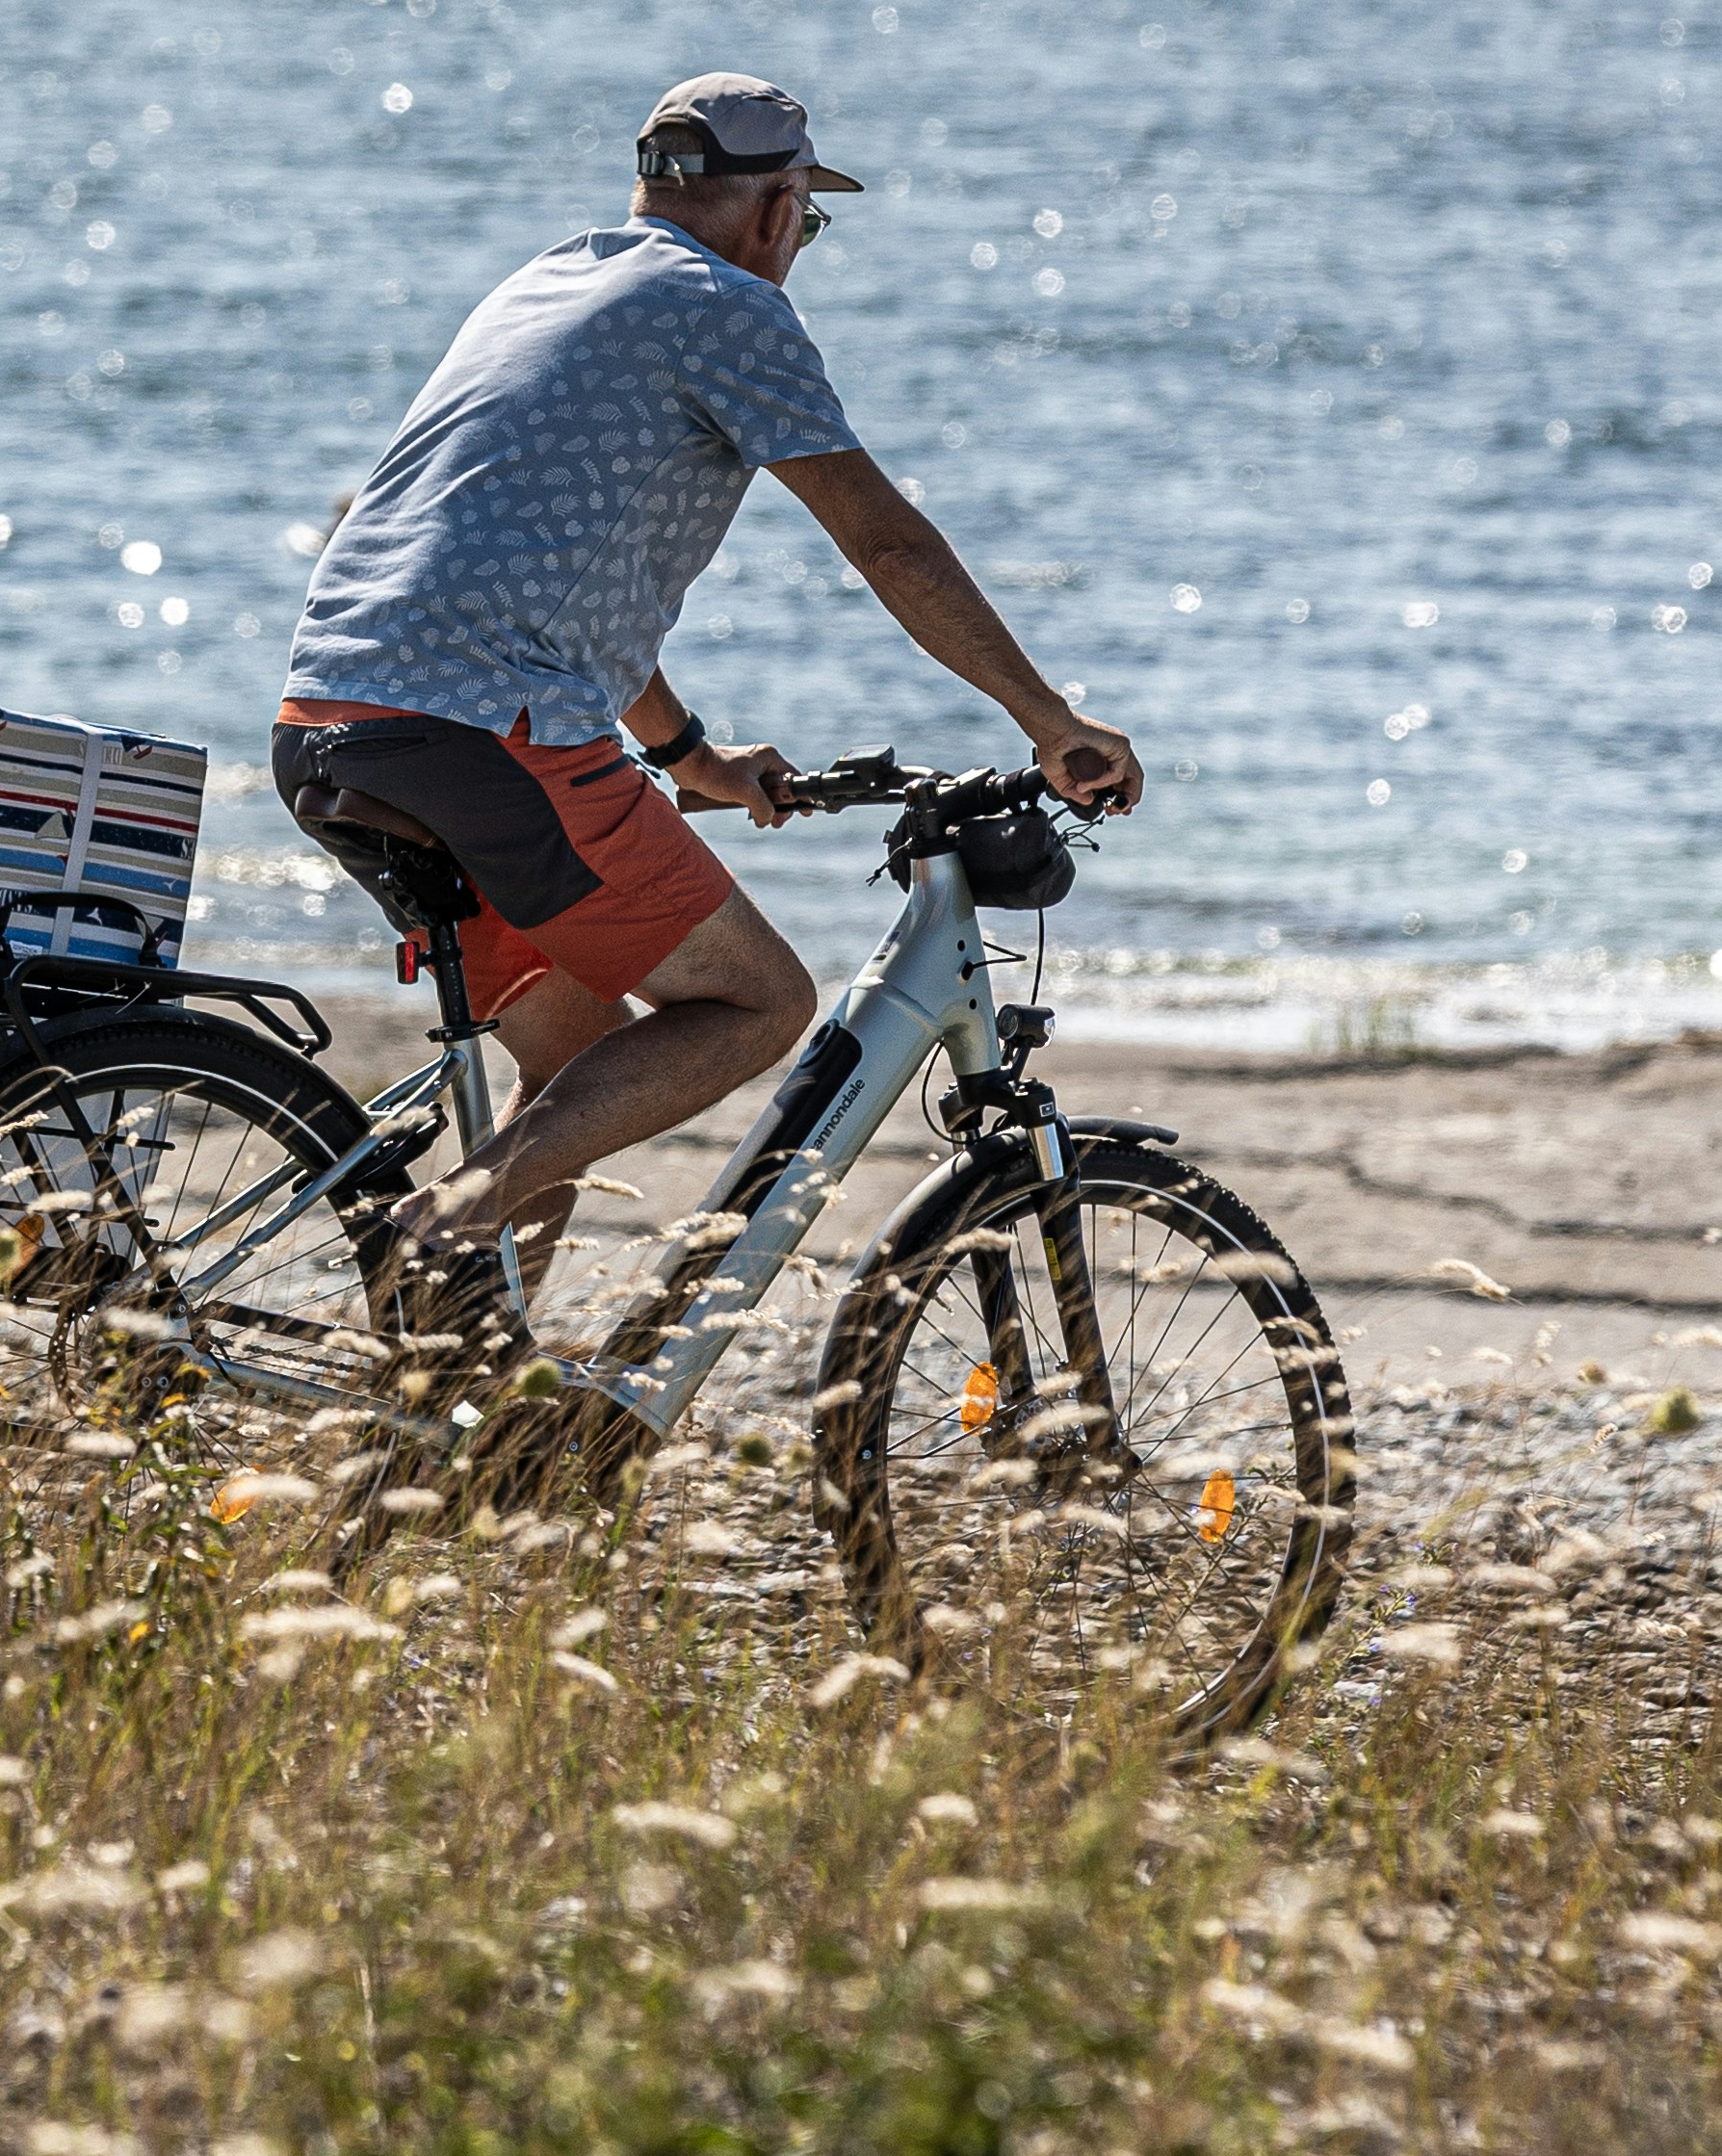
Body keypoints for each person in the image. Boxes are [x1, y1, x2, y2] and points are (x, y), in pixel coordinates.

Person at [274, 71, 1141, 1309]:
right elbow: (886, 543)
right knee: (756, 999)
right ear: (780, 206)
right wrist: (1052, 723)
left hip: (336, 723)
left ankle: (467, 1438)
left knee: (569, 1079)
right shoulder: (727, 308)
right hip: (483, 740)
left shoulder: (552, 279)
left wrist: (689, 759)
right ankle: (438, 1222)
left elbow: (548, 575)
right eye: (808, 221)